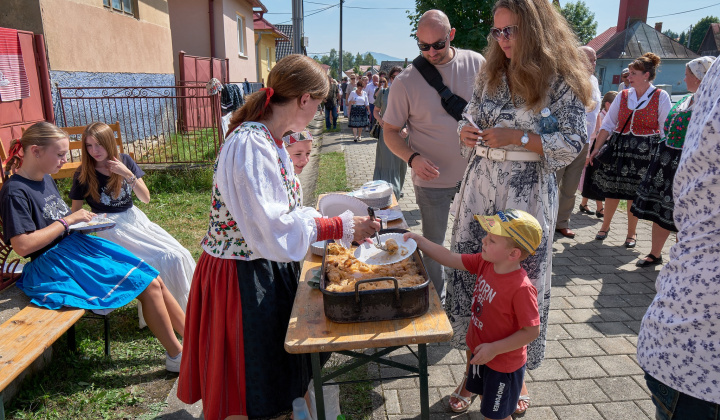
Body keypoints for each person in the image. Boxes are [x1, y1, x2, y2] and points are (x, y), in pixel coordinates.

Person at [176, 54, 379, 420]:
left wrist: (330, 222)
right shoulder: (250, 144)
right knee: (253, 388)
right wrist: (338, 226)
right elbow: (271, 229)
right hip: (239, 278)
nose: (318, 112)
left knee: (279, 376)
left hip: (262, 267)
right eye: (319, 103)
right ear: (304, 99)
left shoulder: (270, 140)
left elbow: (283, 216)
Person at [451, 0, 593, 413]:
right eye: (497, 32)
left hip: (526, 195)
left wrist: (518, 137)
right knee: (475, 281)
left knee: (518, 287)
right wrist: (468, 132)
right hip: (480, 188)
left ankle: (516, 378)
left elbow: (570, 144)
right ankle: (471, 375)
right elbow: (467, 116)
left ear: (536, 29)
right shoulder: (491, 73)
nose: (503, 40)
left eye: (511, 30)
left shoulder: (561, 79)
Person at [0, 121, 185, 372]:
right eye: (61, 154)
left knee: (154, 278)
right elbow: (22, 246)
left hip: (74, 249)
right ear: (35, 151)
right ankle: (178, 356)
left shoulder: (44, 178)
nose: (65, 160)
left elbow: (59, 222)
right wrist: (67, 221)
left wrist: (80, 223)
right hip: (53, 264)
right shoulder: (15, 191)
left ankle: (192, 342)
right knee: (149, 285)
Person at [637, 55, 720, 420]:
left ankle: (653, 251)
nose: (685, 75)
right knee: (661, 215)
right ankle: (653, 251)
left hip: (686, 345)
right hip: (698, 356)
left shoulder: (701, 88)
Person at [383, 9, 485, 303]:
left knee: (478, 243)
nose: (431, 52)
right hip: (433, 181)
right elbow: (390, 131)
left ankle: (471, 299)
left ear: (451, 35)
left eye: (438, 45)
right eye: (423, 46)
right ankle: (436, 303)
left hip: (477, 177)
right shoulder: (405, 81)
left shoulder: (476, 63)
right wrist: (412, 158)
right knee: (434, 245)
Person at [405, 209, 541, 417]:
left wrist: (495, 348)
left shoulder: (521, 288)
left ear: (513, 254)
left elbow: (531, 331)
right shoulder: (485, 262)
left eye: (492, 240)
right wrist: (418, 240)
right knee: (485, 399)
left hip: (502, 365)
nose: (484, 240)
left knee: (496, 414)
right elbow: (449, 258)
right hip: (480, 353)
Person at [69, 122, 195, 329]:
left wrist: (126, 173)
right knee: (162, 258)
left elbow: (145, 198)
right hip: (109, 227)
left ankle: (187, 311)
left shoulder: (125, 160)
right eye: (89, 146)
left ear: (109, 142)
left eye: (98, 144)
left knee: (180, 254)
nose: (94, 151)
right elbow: (76, 212)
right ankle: (168, 316)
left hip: (135, 219)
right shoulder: (84, 172)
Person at [630, 56, 716, 267]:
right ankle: (655, 253)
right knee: (661, 210)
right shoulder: (687, 99)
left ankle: (681, 259)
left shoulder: (710, 104)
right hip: (666, 161)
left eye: (687, 75)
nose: (684, 78)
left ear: (700, 78)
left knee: (684, 213)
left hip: (688, 165)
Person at [588, 53, 671, 246]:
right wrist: (596, 149)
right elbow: (608, 124)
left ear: (647, 75)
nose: (629, 76)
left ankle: (631, 233)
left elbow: (664, 129)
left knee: (635, 193)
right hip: (620, 148)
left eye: (634, 73)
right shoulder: (624, 95)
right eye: (629, 73)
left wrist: (663, 157)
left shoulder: (660, 96)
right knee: (612, 190)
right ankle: (605, 226)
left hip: (645, 152)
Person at [554, 46, 601, 239]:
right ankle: (542, 220)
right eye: (590, 59)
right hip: (562, 140)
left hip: (583, 143)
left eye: (595, 59)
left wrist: (593, 140)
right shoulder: (564, 79)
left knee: (571, 187)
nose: (593, 63)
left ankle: (562, 222)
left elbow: (595, 113)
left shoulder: (594, 81)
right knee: (552, 183)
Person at [579, 91, 618, 217]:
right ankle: (600, 208)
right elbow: (593, 137)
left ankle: (584, 203)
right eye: (616, 104)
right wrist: (588, 154)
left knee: (591, 179)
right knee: (596, 180)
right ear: (607, 104)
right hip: (597, 152)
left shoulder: (609, 116)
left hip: (600, 152)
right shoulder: (601, 116)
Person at [373, 66, 408, 201]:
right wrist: (380, 121)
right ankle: (388, 190)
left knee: (401, 163)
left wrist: (407, 129)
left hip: (403, 133)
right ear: (390, 78)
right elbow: (376, 110)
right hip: (386, 132)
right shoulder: (384, 93)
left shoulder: (408, 94)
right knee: (387, 161)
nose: (397, 79)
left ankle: (398, 188)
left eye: (400, 76)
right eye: (394, 77)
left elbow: (413, 117)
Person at [283, 129, 313, 206]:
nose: (305, 160)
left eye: (308, 153)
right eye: (298, 154)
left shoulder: (293, 176)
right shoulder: (279, 183)